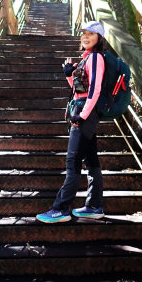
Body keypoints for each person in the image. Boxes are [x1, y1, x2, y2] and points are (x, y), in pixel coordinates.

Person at [36, 21, 106, 223]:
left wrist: (82, 115)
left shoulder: (96, 58)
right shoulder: (87, 58)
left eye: (91, 34)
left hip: (85, 113)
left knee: (72, 161)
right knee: (91, 160)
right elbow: (80, 90)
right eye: (83, 33)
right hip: (83, 110)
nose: (86, 37)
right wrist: (69, 75)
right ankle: (94, 206)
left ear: (99, 38)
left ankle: (61, 208)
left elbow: (95, 90)